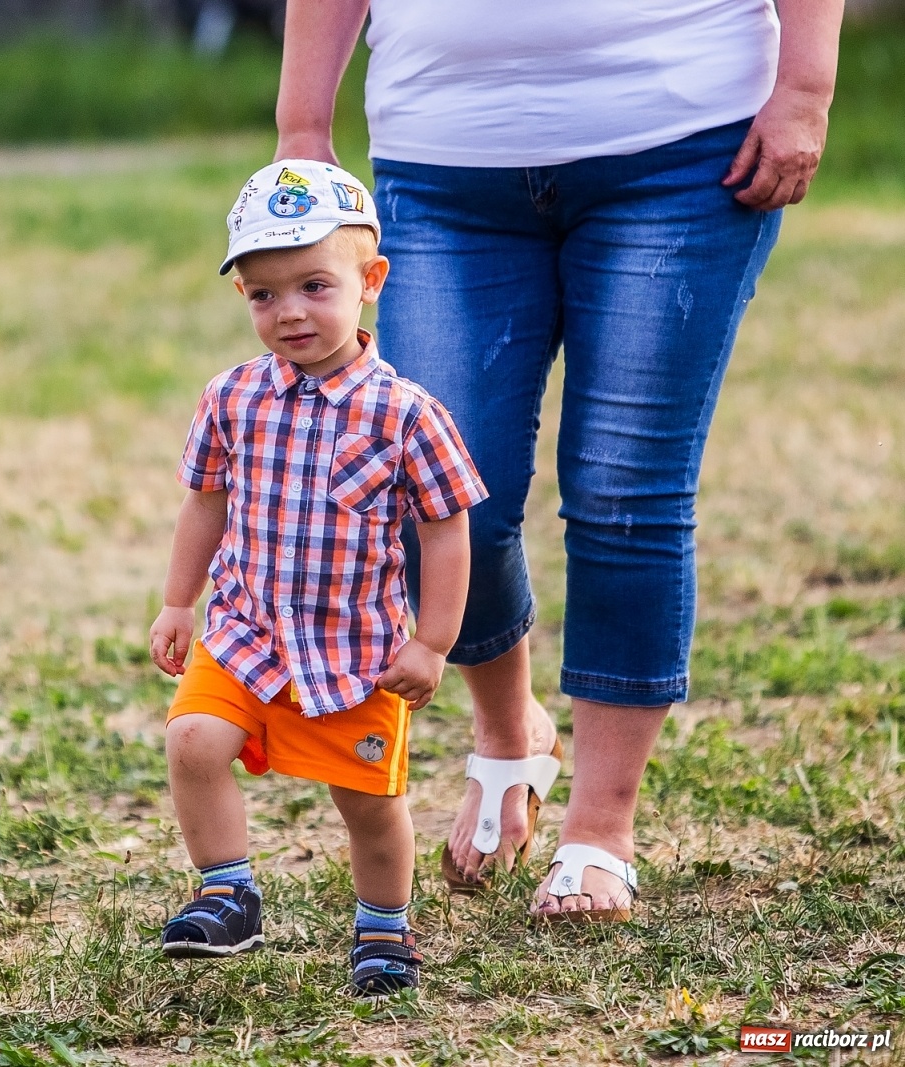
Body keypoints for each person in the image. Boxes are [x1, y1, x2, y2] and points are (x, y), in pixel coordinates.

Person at [272, 0, 843, 920]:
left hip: (683, 146)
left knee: (626, 488)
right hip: (443, 161)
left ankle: (599, 832)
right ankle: (509, 733)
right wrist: (302, 122)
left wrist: (806, 85)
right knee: (440, 491)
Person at [148, 159, 487, 995]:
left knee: (366, 804)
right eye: (264, 295)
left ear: (370, 281)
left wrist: (433, 639)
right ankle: (227, 891)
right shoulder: (231, 398)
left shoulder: (406, 411)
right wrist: (177, 600)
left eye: (313, 285)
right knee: (192, 740)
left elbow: (446, 527)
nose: (289, 312)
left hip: (354, 648)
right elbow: (206, 503)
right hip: (243, 628)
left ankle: (383, 930)